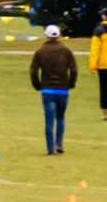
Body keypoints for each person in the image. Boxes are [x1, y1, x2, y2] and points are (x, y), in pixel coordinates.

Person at [30, 24, 76, 154]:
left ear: (46, 35)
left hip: (47, 90)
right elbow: (74, 70)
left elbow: (33, 71)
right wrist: (71, 83)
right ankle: (59, 144)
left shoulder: (40, 51)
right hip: (63, 90)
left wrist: (37, 85)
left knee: (49, 120)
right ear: (59, 35)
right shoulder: (66, 51)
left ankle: (50, 149)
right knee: (60, 118)